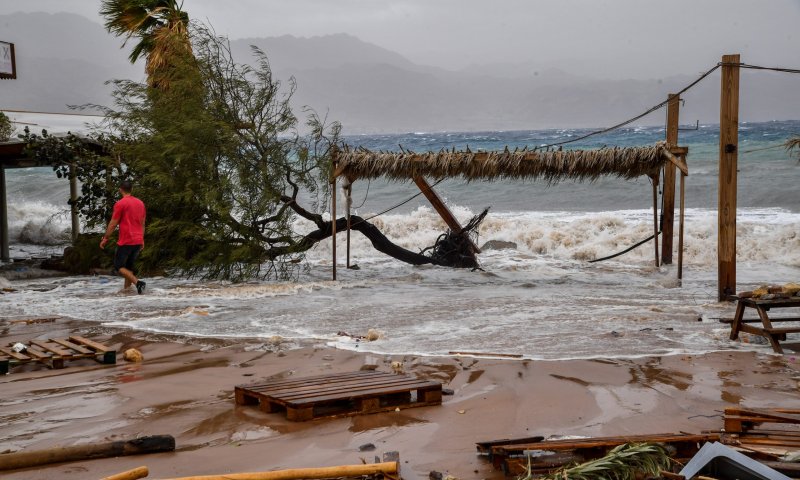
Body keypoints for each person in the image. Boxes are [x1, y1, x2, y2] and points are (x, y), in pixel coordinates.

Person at [100, 180, 146, 294]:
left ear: (120, 190)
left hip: (126, 240)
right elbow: (142, 223)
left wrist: (105, 238)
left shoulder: (120, 204)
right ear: (132, 189)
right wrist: (142, 239)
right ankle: (127, 293)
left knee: (118, 266)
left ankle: (138, 283)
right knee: (128, 268)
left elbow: (113, 223)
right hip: (138, 239)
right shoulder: (140, 203)